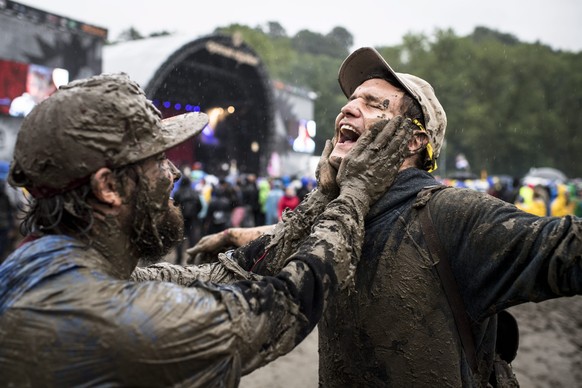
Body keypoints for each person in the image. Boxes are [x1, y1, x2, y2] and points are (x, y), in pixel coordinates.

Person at [188, 47, 582, 386]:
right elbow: (326, 237)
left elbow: (567, 247)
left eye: (375, 104)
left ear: (413, 141)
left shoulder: (452, 214)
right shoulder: (339, 215)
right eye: (353, 99)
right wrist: (241, 235)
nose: (349, 107)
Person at [0, 72, 413, 386]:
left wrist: (321, 199)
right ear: (108, 186)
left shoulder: (47, 267)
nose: (174, 172)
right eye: (157, 159)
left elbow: (212, 279)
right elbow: (285, 306)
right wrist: (355, 192)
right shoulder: (110, 316)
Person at [172, 175, 202, 265]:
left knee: (180, 239)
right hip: (192, 219)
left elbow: (174, 206)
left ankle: (179, 259)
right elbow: (200, 206)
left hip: (181, 219)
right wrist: (195, 214)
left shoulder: (178, 192)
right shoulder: (194, 192)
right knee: (192, 238)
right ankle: (192, 258)